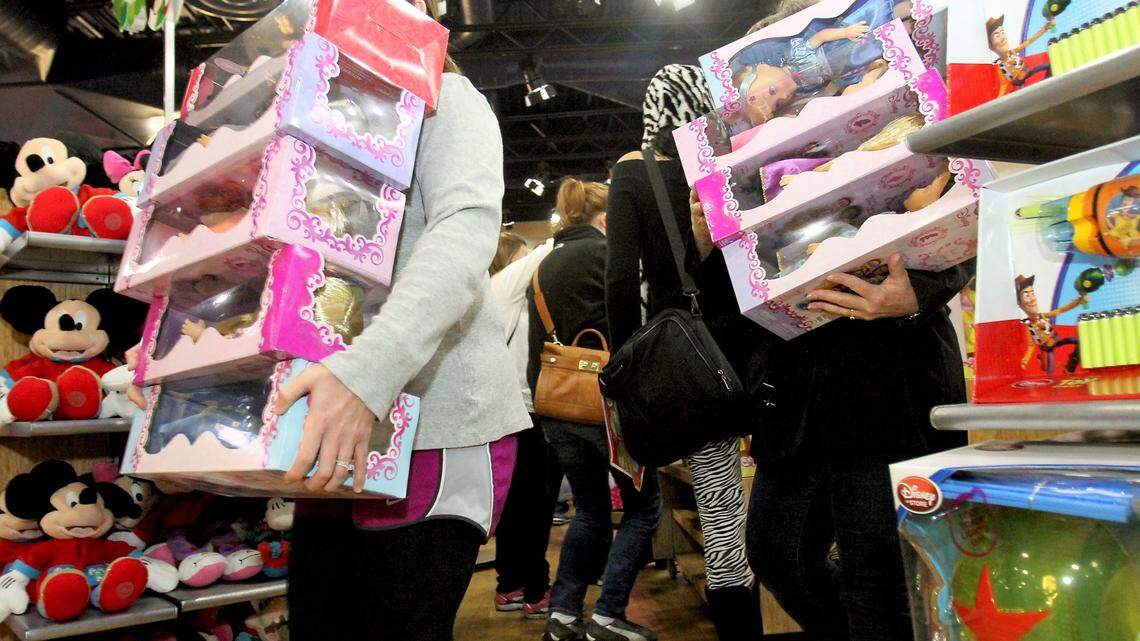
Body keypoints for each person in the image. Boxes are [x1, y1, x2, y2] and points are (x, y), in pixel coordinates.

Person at [273, 2, 532, 639]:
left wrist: (368, 373)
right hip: (336, 418)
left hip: (432, 420)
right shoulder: (321, 116)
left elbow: (463, 239)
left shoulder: (448, 96)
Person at [606, 64, 765, 641]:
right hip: (762, 348)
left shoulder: (634, 172)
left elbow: (620, 281)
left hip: (694, 365)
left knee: (723, 527)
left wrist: (626, 372)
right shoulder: (735, 163)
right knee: (781, 500)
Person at [529, 179, 662, 641]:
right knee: (644, 509)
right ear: (605, 218)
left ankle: (563, 615)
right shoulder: (609, 256)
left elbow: (537, 345)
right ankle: (607, 615)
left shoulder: (544, 265)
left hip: (559, 404)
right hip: (609, 407)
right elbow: (636, 330)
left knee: (589, 510)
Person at [489, 230, 557, 618]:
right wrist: (566, 225)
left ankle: (509, 585)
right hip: (522, 411)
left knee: (516, 505)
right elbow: (542, 254)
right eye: (521, 253)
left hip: (507, 411)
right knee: (534, 506)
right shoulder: (503, 285)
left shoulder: (494, 295)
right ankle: (535, 590)